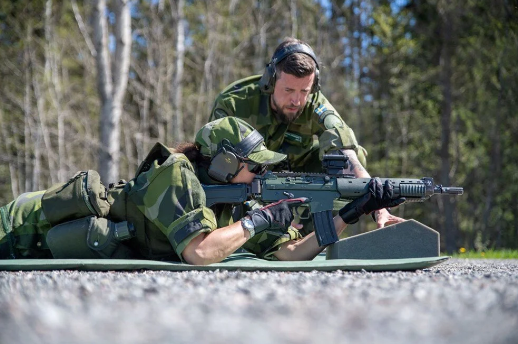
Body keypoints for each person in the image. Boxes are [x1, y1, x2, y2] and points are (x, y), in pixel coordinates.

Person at [0, 117, 404, 265]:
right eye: (254, 164)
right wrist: (258, 220)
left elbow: (291, 251)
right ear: (225, 163)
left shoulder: (239, 196)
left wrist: (351, 213)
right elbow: (199, 252)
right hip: (20, 227)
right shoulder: (175, 173)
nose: (262, 171)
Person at [209, 37, 404, 229]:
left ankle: (308, 230)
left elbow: (341, 139)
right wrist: (266, 211)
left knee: (348, 160)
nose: (296, 100)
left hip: (296, 178)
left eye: (304, 91)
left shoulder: (314, 102)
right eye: (288, 90)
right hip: (245, 183)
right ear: (270, 80)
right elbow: (216, 164)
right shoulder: (233, 103)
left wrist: (375, 197)